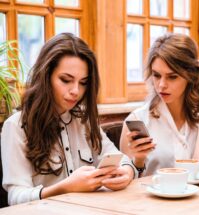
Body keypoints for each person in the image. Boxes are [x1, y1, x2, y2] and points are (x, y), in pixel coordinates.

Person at [1, 33, 137, 205]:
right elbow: (15, 198)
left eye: (83, 82)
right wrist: (65, 187)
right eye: (66, 80)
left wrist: (127, 171)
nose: (76, 91)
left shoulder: (84, 120)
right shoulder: (16, 127)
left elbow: (117, 157)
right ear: (46, 76)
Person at [120, 33, 199, 176]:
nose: (161, 85)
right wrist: (138, 160)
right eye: (156, 75)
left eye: (172, 77)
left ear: (190, 76)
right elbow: (128, 179)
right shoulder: (137, 120)